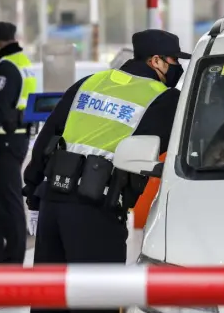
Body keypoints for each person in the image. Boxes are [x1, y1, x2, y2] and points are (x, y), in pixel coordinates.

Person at [22, 29, 187, 313]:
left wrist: (33, 188)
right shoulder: (164, 99)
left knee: (50, 301)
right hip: (96, 210)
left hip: (53, 202)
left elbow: (49, 136)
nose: (177, 68)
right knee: (97, 301)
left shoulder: (89, 82)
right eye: (173, 61)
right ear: (156, 61)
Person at [0, 22, 35, 264]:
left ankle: (12, 260)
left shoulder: (5, 68)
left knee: (7, 202)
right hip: (15, 139)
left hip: (4, 142)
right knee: (1, 200)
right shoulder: (21, 62)